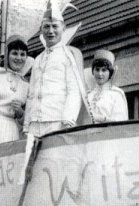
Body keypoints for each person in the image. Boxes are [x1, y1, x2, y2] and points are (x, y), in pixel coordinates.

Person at [23, 2, 87, 137]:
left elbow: (74, 91)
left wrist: (68, 121)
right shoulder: (38, 59)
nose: (50, 31)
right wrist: (26, 125)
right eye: (46, 27)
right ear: (41, 30)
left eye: (54, 26)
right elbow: (31, 94)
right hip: (34, 124)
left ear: (63, 28)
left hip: (57, 122)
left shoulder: (68, 56)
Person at [87, 50, 128, 123]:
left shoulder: (116, 94)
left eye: (104, 70)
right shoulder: (88, 95)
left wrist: (100, 118)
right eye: (97, 69)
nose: (100, 74)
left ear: (110, 73)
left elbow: (120, 122)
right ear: (93, 71)